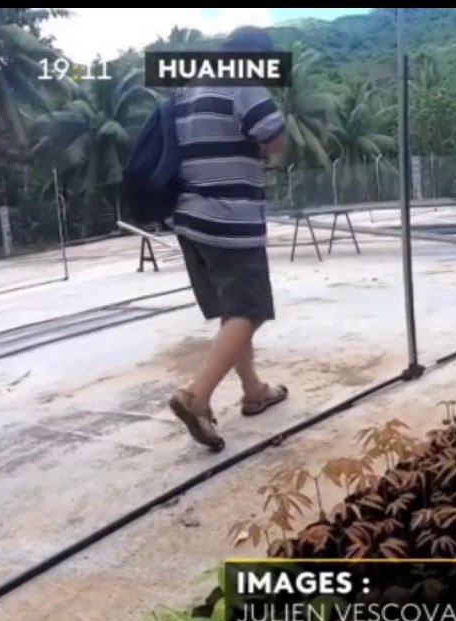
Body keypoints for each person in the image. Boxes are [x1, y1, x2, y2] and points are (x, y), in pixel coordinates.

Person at [166, 26, 289, 452]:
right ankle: (196, 398)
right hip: (229, 221)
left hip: (191, 220)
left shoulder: (188, 90)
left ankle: (253, 392)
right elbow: (274, 137)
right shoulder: (241, 84)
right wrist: (271, 151)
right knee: (249, 310)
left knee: (232, 312)